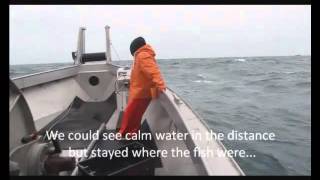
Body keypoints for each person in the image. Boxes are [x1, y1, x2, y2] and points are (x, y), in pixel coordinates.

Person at [118, 37, 166, 137]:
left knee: (130, 114)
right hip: (141, 91)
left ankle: (124, 134)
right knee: (135, 115)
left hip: (141, 93)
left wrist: (161, 85)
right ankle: (132, 133)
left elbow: (153, 71)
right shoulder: (142, 54)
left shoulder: (142, 55)